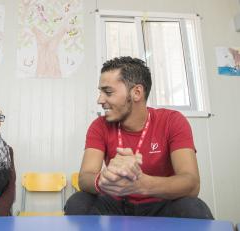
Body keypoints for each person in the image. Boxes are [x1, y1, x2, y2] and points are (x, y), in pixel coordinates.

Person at [64, 56, 213, 219]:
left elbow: (191, 183)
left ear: (136, 93)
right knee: (78, 202)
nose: (100, 100)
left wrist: (143, 185)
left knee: (194, 208)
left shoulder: (172, 121)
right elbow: (84, 178)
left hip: (161, 202)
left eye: (107, 92)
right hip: (116, 203)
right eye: (100, 92)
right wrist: (102, 180)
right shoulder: (99, 125)